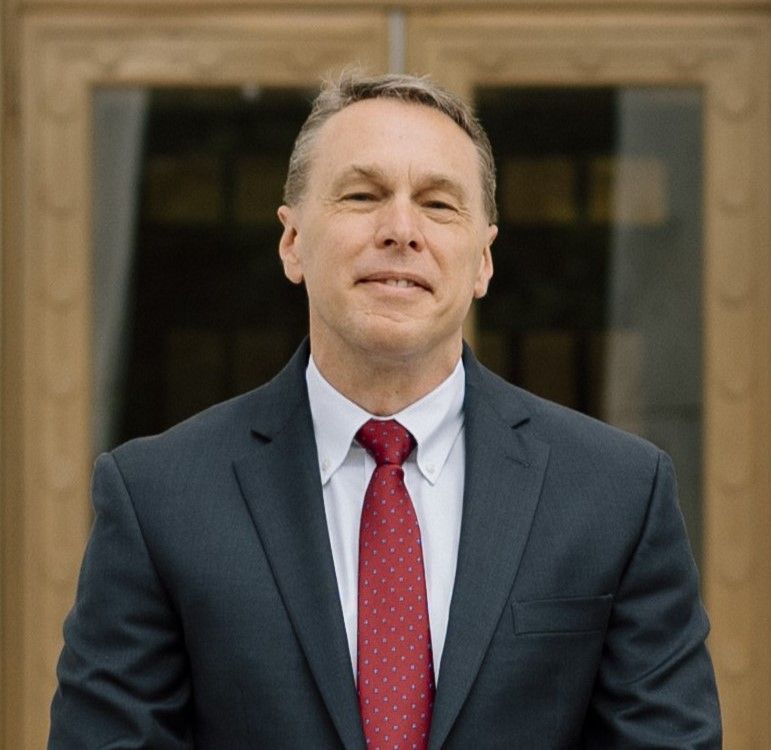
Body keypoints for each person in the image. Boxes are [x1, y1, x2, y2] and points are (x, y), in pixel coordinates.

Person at [49, 72, 721, 749]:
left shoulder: (616, 493)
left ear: (483, 259)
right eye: (363, 195)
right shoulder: (159, 497)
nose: (400, 230)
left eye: (437, 204)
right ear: (291, 242)